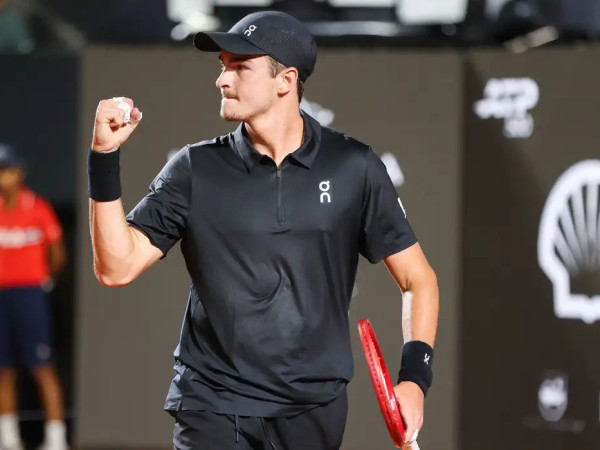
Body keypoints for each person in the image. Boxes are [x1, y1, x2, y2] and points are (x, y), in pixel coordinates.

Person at [88, 10, 439, 450]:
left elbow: (418, 280)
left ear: (285, 81)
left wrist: (415, 380)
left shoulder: (354, 167)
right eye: (223, 66)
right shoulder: (195, 168)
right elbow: (116, 268)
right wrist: (103, 158)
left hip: (314, 409)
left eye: (241, 67)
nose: (222, 79)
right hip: (212, 403)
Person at [0, 144, 68, 450]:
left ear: (19, 173)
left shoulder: (38, 208)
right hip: (1, 294)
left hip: (29, 294)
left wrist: (45, 279)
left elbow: (57, 252)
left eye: (7, 170)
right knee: (3, 368)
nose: (2, 177)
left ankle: (56, 438)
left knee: (42, 366)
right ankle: (8, 438)